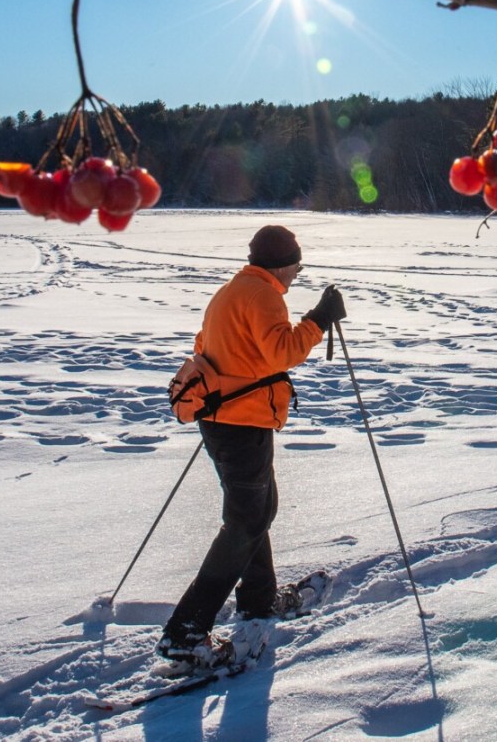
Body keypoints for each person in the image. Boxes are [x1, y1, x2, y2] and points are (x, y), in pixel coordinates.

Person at [157, 224, 346, 668]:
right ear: (282, 264)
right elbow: (281, 352)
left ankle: (259, 599)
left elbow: (208, 347)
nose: (297, 274)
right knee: (245, 522)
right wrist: (319, 320)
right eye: (297, 266)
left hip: (223, 420)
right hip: (241, 423)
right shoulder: (264, 295)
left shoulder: (232, 291)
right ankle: (185, 633)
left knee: (258, 511)